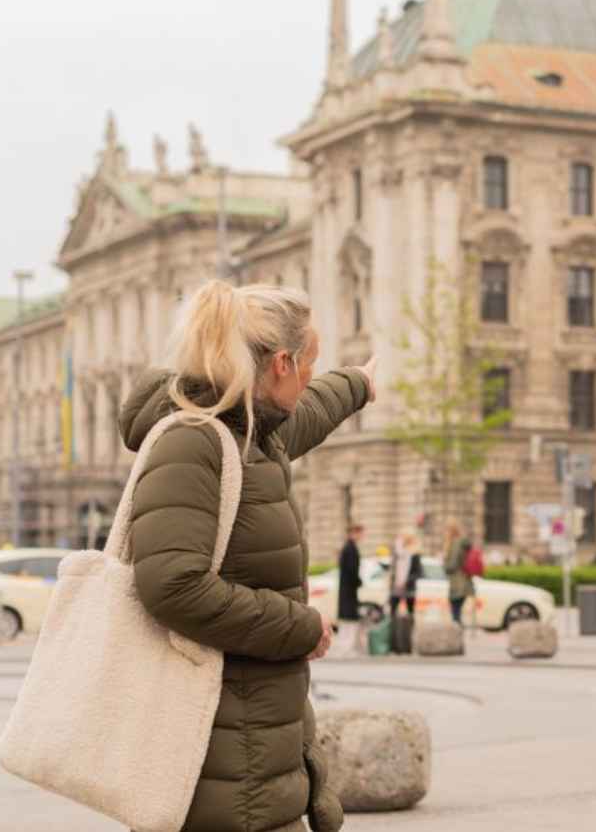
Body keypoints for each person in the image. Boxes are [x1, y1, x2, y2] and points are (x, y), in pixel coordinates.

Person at [119, 281, 374, 832]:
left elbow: (306, 416)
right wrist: (301, 628)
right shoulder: (194, 441)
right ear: (281, 363)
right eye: (310, 364)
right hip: (221, 764)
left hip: (252, 750)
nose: (311, 379)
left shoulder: (252, 435)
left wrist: (359, 384)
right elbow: (173, 585)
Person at [442, 519, 475, 625]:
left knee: (456, 615)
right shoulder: (462, 542)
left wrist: (444, 564)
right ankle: (458, 636)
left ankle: (457, 637)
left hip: (458, 583)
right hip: (464, 581)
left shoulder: (456, 543)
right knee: (457, 613)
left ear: (450, 531)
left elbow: (452, 564)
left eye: (446, 530)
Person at [338, 524, 365, 654]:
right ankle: (347, 646)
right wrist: (359, 582)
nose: (361, 536)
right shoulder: (351, 549)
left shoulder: (348, 548)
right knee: (350, 617)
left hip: (347, 588)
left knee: (346, 617)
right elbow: (352, 570)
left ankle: (346, 645)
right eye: (359, 533)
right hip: (349, 588)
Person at [388, 532, 422, 619]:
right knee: (392, 612)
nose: (400, 540)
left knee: (410, 612)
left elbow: (418, 572)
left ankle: (407, 631)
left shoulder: (414, 554)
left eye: (402, 538)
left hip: (409, 588)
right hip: (396, 587)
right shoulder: (397, 553)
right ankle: (393, 630)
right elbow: (393, 569)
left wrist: (406, 581)